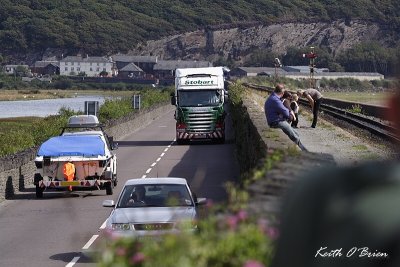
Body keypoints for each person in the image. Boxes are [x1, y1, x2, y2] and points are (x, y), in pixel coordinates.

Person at [271, 90, 400, 267]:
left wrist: (311, 105)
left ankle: (313, 126)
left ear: (392, 109)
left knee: (314, 114)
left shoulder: (319, 189)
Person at [265, 84, 307, 151]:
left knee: (295, 133)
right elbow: (286, 113)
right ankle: (304, 151)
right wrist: (291, 115)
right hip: (276, 122)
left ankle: (300, 149)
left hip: (274, 120)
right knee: (294, 136)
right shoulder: (276, 100)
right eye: (283, 92)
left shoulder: (272, 97)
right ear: (281, 93)